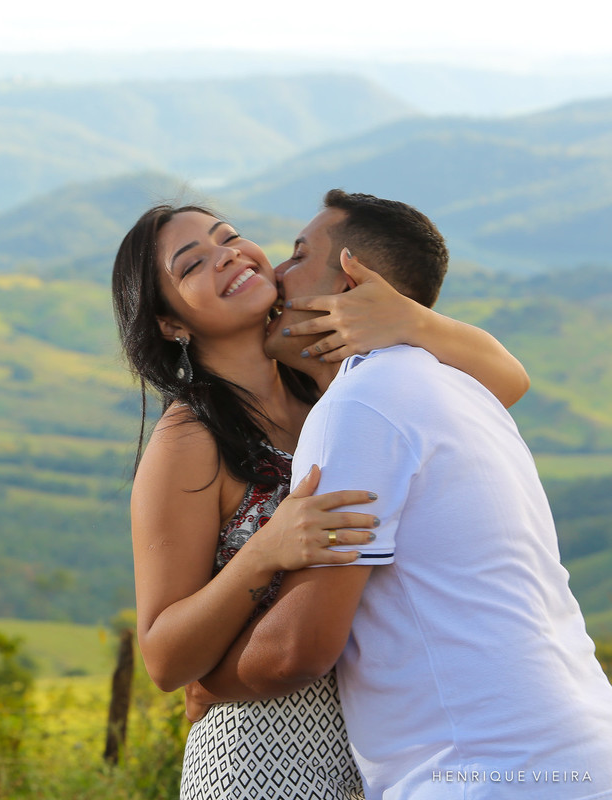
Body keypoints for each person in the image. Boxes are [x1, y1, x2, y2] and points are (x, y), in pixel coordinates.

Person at [187, 190, 612, 798]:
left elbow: (298, 651)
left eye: (300, 254)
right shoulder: (463, 389)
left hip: (484, 773)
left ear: (354, 282)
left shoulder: (359, 406)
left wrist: (210, 682)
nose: (277, 273)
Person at [111, 201, 529, 799]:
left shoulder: (328, 393)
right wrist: (264, 553)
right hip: (262, 755)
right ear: (171, 322)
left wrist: (410, 317)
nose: (227, 253)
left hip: (378, 745)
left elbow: (506, 383)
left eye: (228, 236)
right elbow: (163, 657)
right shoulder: (191, 437)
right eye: (193, 263)